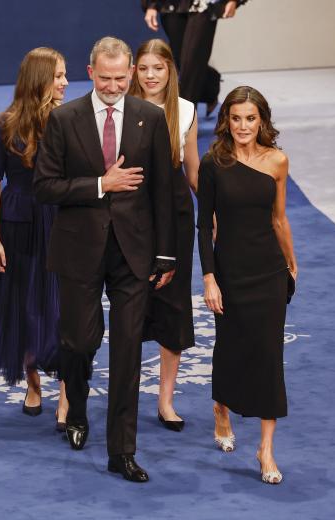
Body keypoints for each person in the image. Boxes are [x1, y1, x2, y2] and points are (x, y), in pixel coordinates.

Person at [34, 36, 176, 483]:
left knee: (129, 353)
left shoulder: (150, 118)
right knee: (78, 342)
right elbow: (44, 187)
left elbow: (163, 192)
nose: (114, 86)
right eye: (106, 78)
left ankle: (122, 451)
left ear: (131, 71)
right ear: (91, 72)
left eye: (121, 78)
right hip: (79, 249)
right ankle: (76, 409)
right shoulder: (63, 118)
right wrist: (101, 184)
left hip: (133, 254)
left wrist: (166, 253)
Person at [197, 86, 297, 485]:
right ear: (226, 120)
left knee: (269, 355)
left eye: (250, 119)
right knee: (232, 349)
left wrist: (291, 262)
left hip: (269, 271)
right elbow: (205, 226)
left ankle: (266, 448)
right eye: (236, 118)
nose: (243, 126)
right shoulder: (213, 163)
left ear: (262, 121)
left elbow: (279, 219)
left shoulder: (277, 161)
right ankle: (221, 410)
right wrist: (209, 277)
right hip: (230, 273)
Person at [0, 48, 69, 430]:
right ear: (39, 80)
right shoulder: (0, 126)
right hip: (17, 222)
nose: (66, 83)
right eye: (59, 76)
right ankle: (33, 385)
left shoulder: (70, 121)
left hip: (60, 221)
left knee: (62, 308)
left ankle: (68, 393)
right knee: (23, 305)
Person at [129, 39, 199, 432]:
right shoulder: (121, 106)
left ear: (170, 70)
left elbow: (192, 171)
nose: (151, 75)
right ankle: (127, 394)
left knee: (172, 305)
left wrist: (222, 209)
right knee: (133, 304)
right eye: (144, 68)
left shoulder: (185, 110)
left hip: (174, 215)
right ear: (135, 71)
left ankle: (166, 401)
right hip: (134, 213)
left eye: (158, 67)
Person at [142, 0, 245, 116]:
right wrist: (151, 5)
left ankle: (184, 122)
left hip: (204, 5)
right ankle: (211, 86)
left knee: (191, 63)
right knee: (182, 60)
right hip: (171, 4)